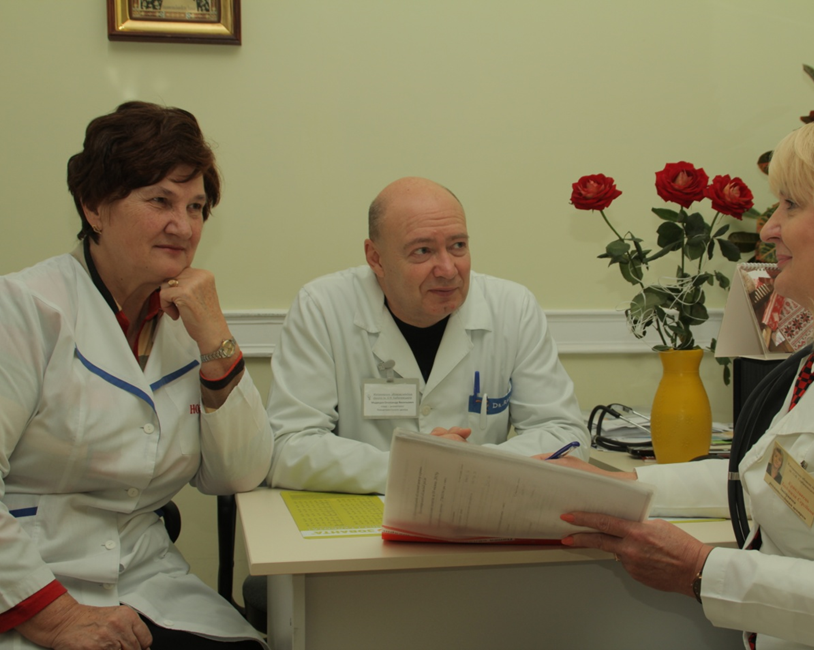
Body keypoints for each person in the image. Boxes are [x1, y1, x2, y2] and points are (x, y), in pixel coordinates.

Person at [552, 104, 814, 649]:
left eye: (791, 204)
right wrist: (621, 487)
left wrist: (700, 570)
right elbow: (777, 481)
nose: (770, 227)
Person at [0, 102, 271, 649]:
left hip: (148, 582)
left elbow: (239, 474)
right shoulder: (25, 309)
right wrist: (57, 618)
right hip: (32, 588)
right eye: (160, 201)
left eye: (196, 207)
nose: (183, 226)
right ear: (94, 207)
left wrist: (215, 338)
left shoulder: (188, 322)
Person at [266, 176, 589, 494]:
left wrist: (471, 466)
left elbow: (564, 433)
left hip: (479, 510)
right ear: (376, 258)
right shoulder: (322, 307)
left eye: (458, 246)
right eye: (423, 250)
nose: (448, 269)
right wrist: (413, 467)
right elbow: (288, 447)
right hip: (362, 517)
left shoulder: (513, 307)